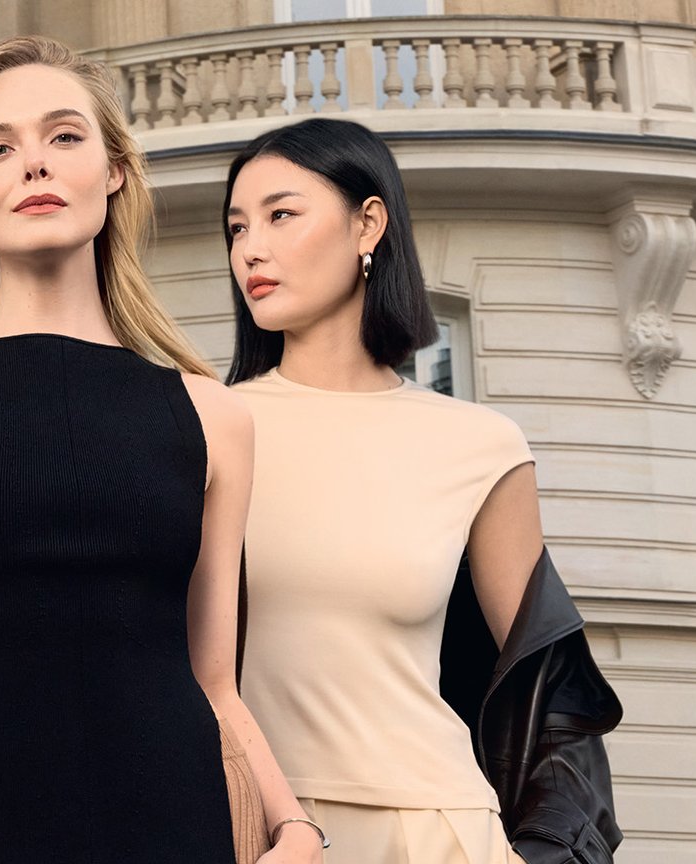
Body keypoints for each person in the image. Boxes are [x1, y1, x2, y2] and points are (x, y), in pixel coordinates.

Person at [0, 35, 321, 864]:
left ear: (115, 170)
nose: (35, 166)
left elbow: (213, 682)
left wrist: (298, 827)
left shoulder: (212, 416)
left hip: (182, 819)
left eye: (64, 136)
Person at [222, 117, 623, 864]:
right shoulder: (211, 426)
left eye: (281, 215)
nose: (251, 248)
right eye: (237, 226)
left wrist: (552, 850)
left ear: (367, 223)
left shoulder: (479, 445)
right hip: (262, 828)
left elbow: (549, 690)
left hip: (438, 828)